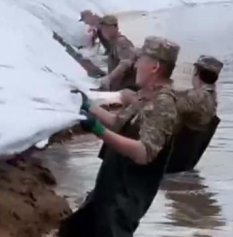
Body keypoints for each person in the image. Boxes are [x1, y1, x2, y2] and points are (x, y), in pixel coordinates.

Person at [58, 36, 181, 237]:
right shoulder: (144, 95)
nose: (135, 64)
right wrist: (90, 106)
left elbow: (143, 152)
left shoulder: (164, 104)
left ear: (154, 66)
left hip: (123, 203)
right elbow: (120, 124)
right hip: (106, 191)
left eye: (140, 59)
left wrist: (99, 131)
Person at [166, 55, 224, 173]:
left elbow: (166, 106)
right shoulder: (211, 96)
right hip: (185, 162)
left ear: (196, 72)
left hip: (171, 164)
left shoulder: (196, 98)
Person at [98, 15, 137, 91]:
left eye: (107, 28)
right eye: (103, 28)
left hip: (127, 88)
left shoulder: (121, 42)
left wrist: (109, 78)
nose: (104, 31)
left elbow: (126, 63)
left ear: (115, 27)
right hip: (119, 88)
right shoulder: (113, 43)